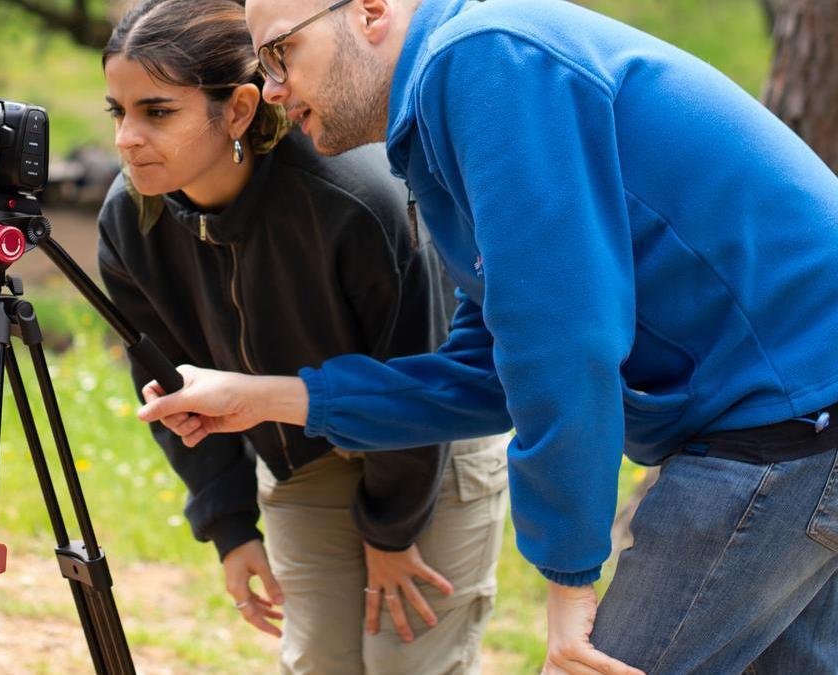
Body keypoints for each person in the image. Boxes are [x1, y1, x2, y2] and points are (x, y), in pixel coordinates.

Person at [136, 1, 838, 673]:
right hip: (796, 408)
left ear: (370, 11)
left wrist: (569, 578)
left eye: (282, 53)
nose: (275, 91)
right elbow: (489, 370)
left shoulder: (484, 61)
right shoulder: (450, 108)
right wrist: (263, 398)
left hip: (786, 415)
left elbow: (559, 341)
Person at [98, 1, 510, 672]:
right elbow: (172, 390)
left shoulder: (357, 197)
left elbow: (424, 376)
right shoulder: (130, 222)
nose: (127, 139)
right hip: (300, 452)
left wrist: (392, 529)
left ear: (236, 110)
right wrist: (229, 526)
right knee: (320, 660)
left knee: (406, 664)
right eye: (120, 112)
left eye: (157, 111)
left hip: (427, 447)